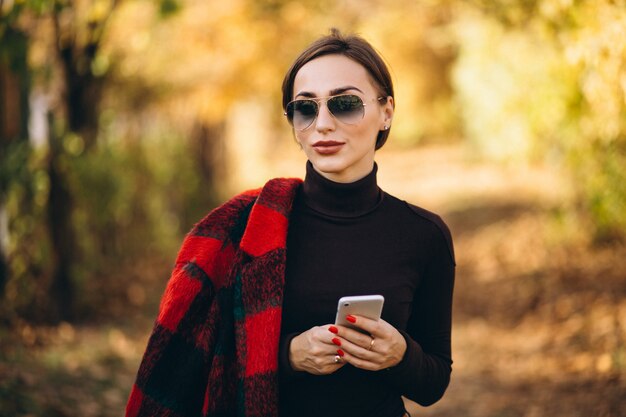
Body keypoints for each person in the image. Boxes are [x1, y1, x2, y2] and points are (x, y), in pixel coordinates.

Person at [125, 29, 455, 417]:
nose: (323, 124)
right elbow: (198, 366)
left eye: (345, 104)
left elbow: (433, 383)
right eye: (305, 108)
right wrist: (288, 356)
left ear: (386, 112)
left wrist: (402, 356)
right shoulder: (246, 229)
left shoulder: (424, 235)